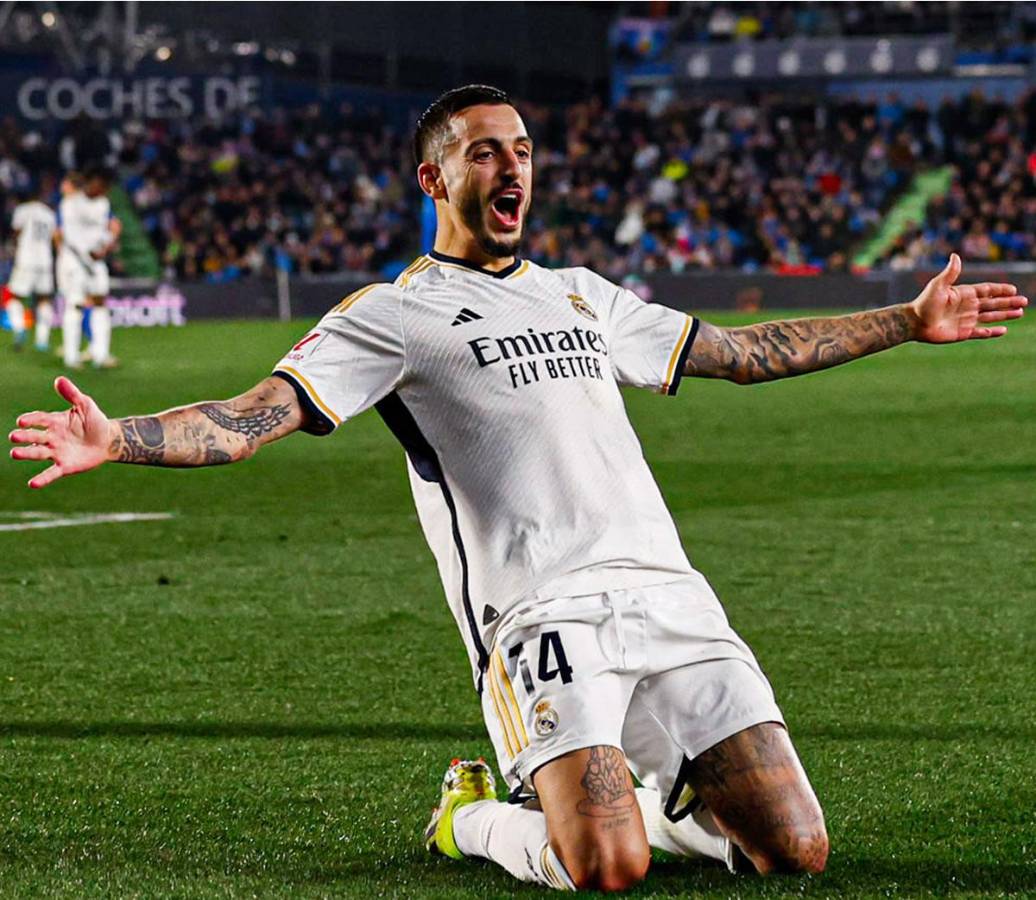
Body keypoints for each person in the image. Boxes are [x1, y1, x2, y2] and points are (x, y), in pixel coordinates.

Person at [8, 86, 1027, 892]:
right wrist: (121, 438)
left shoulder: (581, 294)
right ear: (433, 174)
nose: (511, 167)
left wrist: (905, 317)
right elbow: (249, 420)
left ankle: (653, 801)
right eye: (484, 150)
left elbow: (742, 350)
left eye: (523, 149)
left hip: (670, 595)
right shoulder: (391, 317)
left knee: (793, 851)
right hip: (541, 615)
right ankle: (472, 820)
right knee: (605, 868)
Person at [55, 166, 121, 369]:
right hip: (75, 259)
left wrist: (106, 245)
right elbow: (64, 233)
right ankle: (71, 357)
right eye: (101, 185)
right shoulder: (71, 203)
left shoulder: (103, 203)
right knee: (75, 304)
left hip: (96, 260)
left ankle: (100, 355)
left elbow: (110, 228)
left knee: (101, 303)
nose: (104, 190)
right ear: (92, 182)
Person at [6, 183, 57, 352]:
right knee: (44, 299)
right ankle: (42, 340)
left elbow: (16, 232)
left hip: (26, 259)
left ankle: (20, 328)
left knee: (14, 297)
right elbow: (53, 237)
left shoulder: (23, 210)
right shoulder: (49, 213)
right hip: (45, 261)